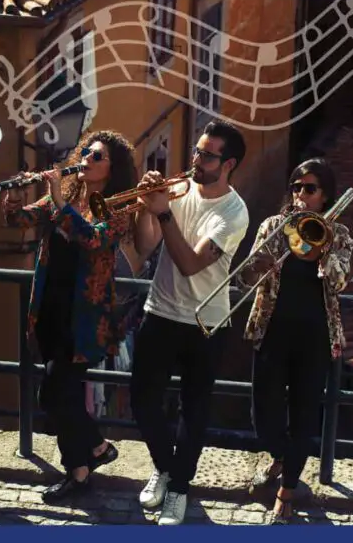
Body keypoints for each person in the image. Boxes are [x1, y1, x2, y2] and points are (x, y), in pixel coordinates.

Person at [1, 130, 138, 502]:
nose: (88, 160)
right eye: (87, 153)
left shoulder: (120, 206)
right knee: (62, 396)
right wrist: (14, 196)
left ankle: (83, 464)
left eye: (98, 157)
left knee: (54, 392)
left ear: (112, 169)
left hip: (84, 317)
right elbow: (20, 222)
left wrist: (59, 201)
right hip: (49, 309)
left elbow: (94, 239)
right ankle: (89, 456)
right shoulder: (69, 194)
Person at [129, 120, 250, 525]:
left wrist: (164, 214)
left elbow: (190, 264)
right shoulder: (180, 191)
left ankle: (178, 490)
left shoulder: (234, 214)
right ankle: (166, 469)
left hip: (205, 322)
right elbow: (146, 246)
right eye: (197, 151)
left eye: (208, 154)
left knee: (193, 411)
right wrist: (148, 206)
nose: (197, 159)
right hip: (160, 311)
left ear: (228, 163)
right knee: (142, 401)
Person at [242, 158, 353, 524]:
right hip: (272, 331)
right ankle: (279, 454)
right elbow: (246, 276)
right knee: (264, 413)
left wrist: (321, 248)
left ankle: (287, 490)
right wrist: (270, 254)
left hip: (315, 337)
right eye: (296, 187)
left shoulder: (339, 234)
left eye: (309, 188)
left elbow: (339, 282)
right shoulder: (273, 227)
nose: (301, 194)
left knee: (305, 412)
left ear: (325, 196)